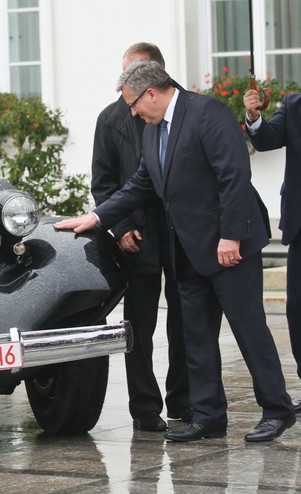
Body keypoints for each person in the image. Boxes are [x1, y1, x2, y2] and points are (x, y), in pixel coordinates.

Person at [55, 60, 295, 442]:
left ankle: (277, 409)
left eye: (134, 103)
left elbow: (233, 175)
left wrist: (230, 236)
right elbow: (140, 184)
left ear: (152, 92)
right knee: (196, 336)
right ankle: (208, 416)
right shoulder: (152, 130)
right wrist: (96, 217)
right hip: (186, 250)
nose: (132, 112)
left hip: (227, 247)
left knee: (249, 331)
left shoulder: (207, 112)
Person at [91, 42, 190, 433]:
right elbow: (104, 184)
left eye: (133, 78)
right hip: (137, 238)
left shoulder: (185, 110)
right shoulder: (110, 119)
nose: (126, 89)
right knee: (139, 327)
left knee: (185, 322)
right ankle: (144, 408)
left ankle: (184, 401)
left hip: (180, 235)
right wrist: (120, 229)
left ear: (154, 79)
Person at [243, 88, 301, 413]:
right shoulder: (294, 104)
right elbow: (265, 139)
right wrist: (253, 116)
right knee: (298, 311)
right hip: (300, 225)